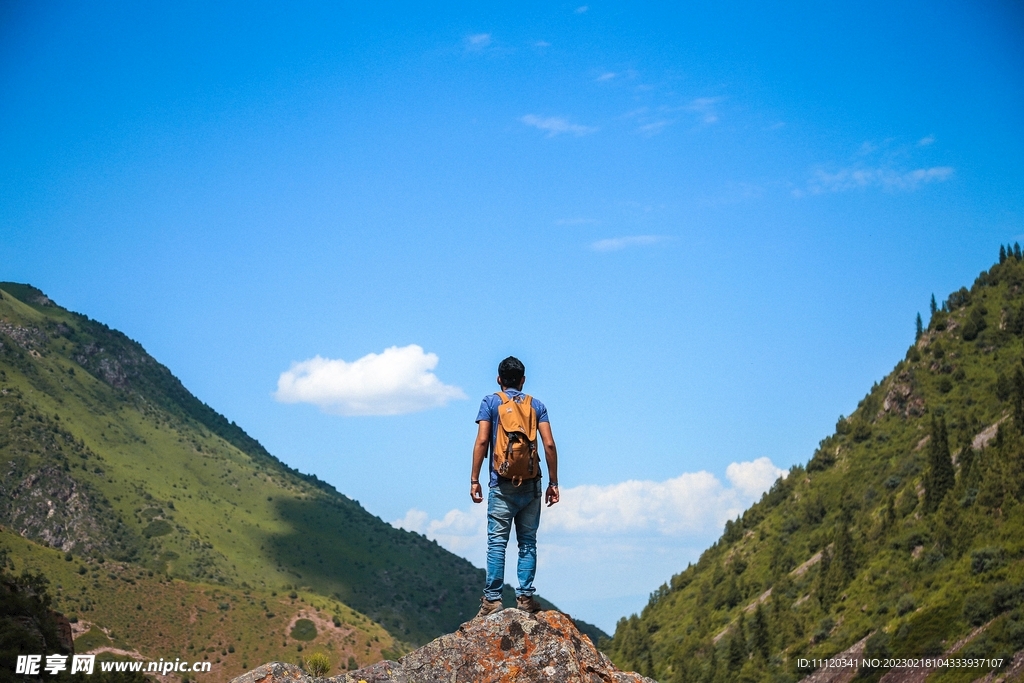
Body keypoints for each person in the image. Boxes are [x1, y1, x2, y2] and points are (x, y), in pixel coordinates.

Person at [470, 356, 559, 617]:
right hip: (531, 483)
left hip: (501, 483)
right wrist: (553, 483)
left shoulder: (491, 402)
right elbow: (550, 445)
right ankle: (525, 599)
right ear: (522, 380)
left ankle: (492, 601)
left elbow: (482, 441)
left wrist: (474, 479)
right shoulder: (537, 405)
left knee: (497, 542)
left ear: (499, 379)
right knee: (528, 542)